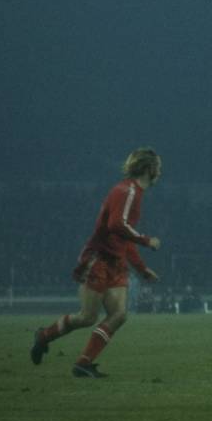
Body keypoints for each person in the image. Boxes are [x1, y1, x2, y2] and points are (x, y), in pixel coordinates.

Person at [29, 148, 163, 378]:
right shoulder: (127, 190)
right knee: (87, 317)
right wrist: (147, 240)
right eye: (158, 167)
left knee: (119, 314)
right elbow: (115, 225)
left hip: (116, 261)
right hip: (99, 258)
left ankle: (83, 363)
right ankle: (44, 335)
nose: (160, 171)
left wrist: (141, 268)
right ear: (149, 168)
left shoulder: (134, 192)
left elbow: (124, 237)